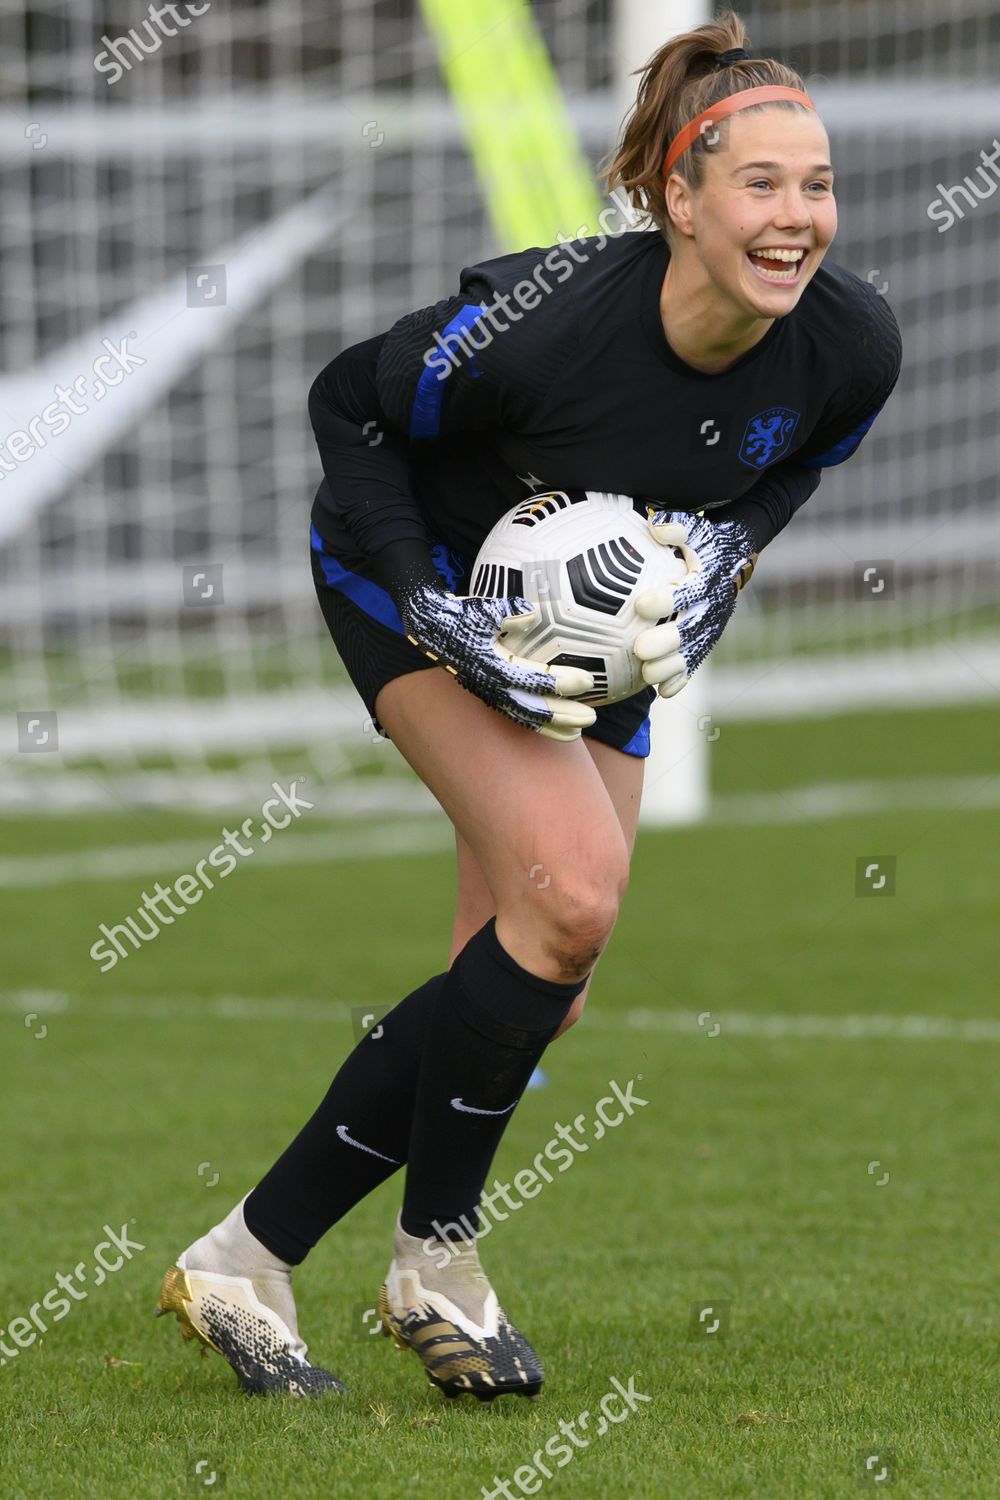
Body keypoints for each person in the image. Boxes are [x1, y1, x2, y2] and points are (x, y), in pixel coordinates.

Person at [157, 10, 901, 1400]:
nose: (798, 217)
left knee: (531, 984)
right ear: (678, 199)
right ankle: (433, 1259)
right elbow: (347, 407)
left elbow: (799, 461)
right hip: (413, 576)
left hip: (589, 628)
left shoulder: (850, 343)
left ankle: (248, 1259)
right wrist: (420, 598)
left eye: (818, 185)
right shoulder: (546, 326)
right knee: (569, 900)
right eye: (760, 184)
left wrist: (734, 543)